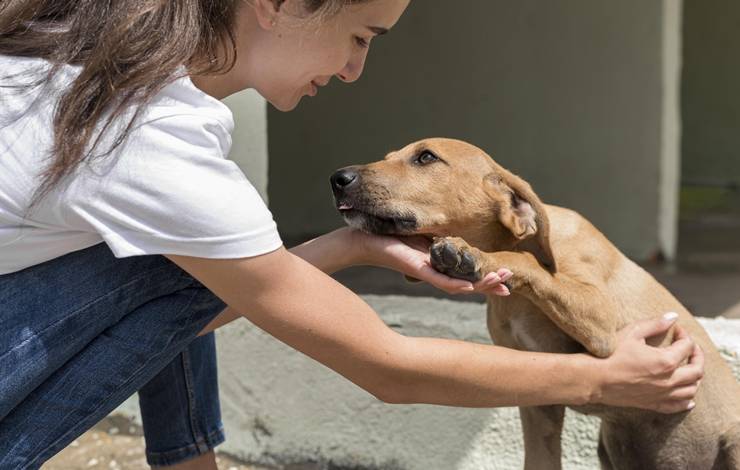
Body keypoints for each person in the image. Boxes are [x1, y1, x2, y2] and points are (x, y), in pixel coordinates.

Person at [0, 0, 704, 469]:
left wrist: (354, 244)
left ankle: (190, 460)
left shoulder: (87, 67)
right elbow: (387, 367)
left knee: (201, 260)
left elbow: (206, 301)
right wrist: (604, 378)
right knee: (192, 259)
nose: (354, 68)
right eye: (360, 35)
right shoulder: (147, 136)